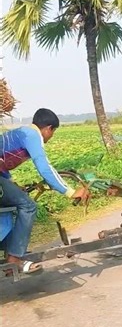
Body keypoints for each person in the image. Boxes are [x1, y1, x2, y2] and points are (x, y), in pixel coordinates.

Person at [0, 108, 89, 274]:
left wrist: (12, 183)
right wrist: (70, 192)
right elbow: (45, 168)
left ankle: (11, 251)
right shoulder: (32, 135)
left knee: (17, 203)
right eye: (53, 132)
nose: (51, 136)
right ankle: (14, 259)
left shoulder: (19, 134)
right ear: (48, 128)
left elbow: (2, 163)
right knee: (28, 206)